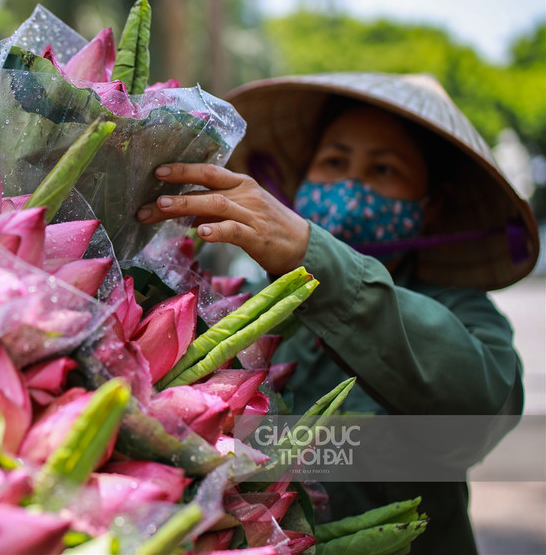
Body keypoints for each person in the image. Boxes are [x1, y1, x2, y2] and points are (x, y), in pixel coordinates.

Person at [136, 72, 540, 554]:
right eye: (334, 161)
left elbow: (478, 413)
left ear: (431, 206)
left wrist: (314, 256)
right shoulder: (231, 307)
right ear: (302, 180)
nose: (351, 186)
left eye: (384, 170)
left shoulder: (459, 311)